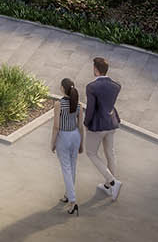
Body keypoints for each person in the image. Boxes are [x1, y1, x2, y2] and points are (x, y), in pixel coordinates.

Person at [84, 56, 123, 200]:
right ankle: (109, 187)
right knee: (110, 153)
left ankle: (113, 182)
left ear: (95, 69)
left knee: (91, 153)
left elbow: (90, 109)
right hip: (111, 122)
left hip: (98, 125)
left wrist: (86, 124)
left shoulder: (91, 87)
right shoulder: (116, 85)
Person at [51, 77, 85, 216]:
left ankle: (73, 201)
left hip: (64, 137)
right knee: (72, 167)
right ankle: (67, 195)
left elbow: (56, 126)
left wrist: (52, 143)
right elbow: (80, 126)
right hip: (75, 136)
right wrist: (81, 143)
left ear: (63, 89)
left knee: (66, 169)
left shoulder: (59, 104)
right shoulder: (79, 105)